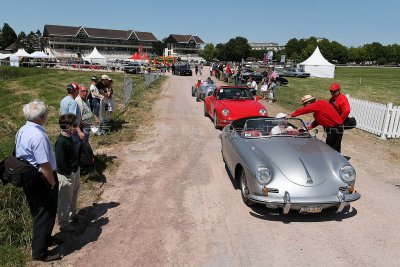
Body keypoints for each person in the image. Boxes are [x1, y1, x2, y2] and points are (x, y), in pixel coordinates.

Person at [15, 100, 61, 261]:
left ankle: (46, 239)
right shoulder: (38, 136)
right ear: (42, 117)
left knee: (40, 211)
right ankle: (39, 252)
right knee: (45, 213)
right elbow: (45, 165)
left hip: (29, 176)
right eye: (46, 114)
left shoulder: (23, 130)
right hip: (42, 178)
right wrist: (53, 184)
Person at [55, 114, 80, 233]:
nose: (76, 127)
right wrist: (69, 173)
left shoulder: (70, 136)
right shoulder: (61, 141)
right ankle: (64, 223)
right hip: (67, 175)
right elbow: (60, 161)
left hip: (74, 170)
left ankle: (72, 214)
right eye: (74, 125)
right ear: (68, 126)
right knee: (65, 199)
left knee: (74, 194)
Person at [59, 83, 85, 153]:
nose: (78, 92)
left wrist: (80, 122)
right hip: (72, 130)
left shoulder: (63, 100)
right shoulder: (72, 102)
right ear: (74, 91)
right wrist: (79, 132)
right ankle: (75, 162)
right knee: (76, 146)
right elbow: (72, 119)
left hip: (65, 127)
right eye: (78, 90)